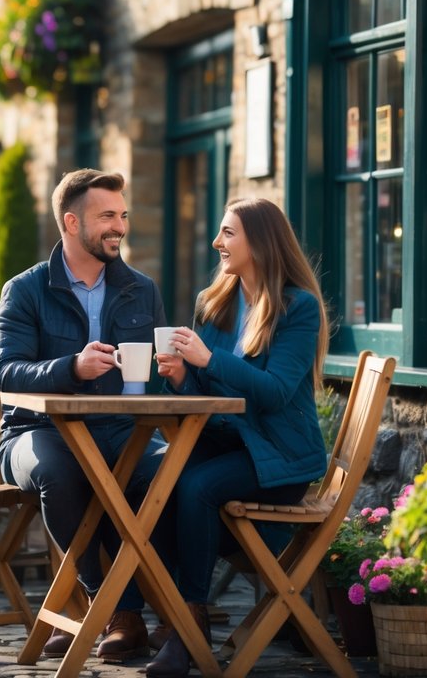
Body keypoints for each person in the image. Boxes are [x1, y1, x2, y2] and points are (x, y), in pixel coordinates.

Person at [145, 197, 330, 678]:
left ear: (260, 242)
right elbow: (208, 391)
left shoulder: (297, 307)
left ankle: (190, 627)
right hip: (228, 442)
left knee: (196, 488)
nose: (217, 242)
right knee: (151, 477)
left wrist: (208, 360)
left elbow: (274, 393)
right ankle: (176, 618)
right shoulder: (217, 302)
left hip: (281, 459)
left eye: (228, 233)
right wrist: (184, 377)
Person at [0, 169, 168, 663]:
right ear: (71, 222)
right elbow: (7, 371)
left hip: (119, 429)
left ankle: (173, 613)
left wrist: (173, 369)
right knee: (64, 474)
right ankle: (115, 609)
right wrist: (70, 367)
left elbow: (153, 372)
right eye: (106, 216)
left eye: (123, 214)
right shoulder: (25, 290)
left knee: (168, 475)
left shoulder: (141, 289)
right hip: (35, 432)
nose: (119, 225)